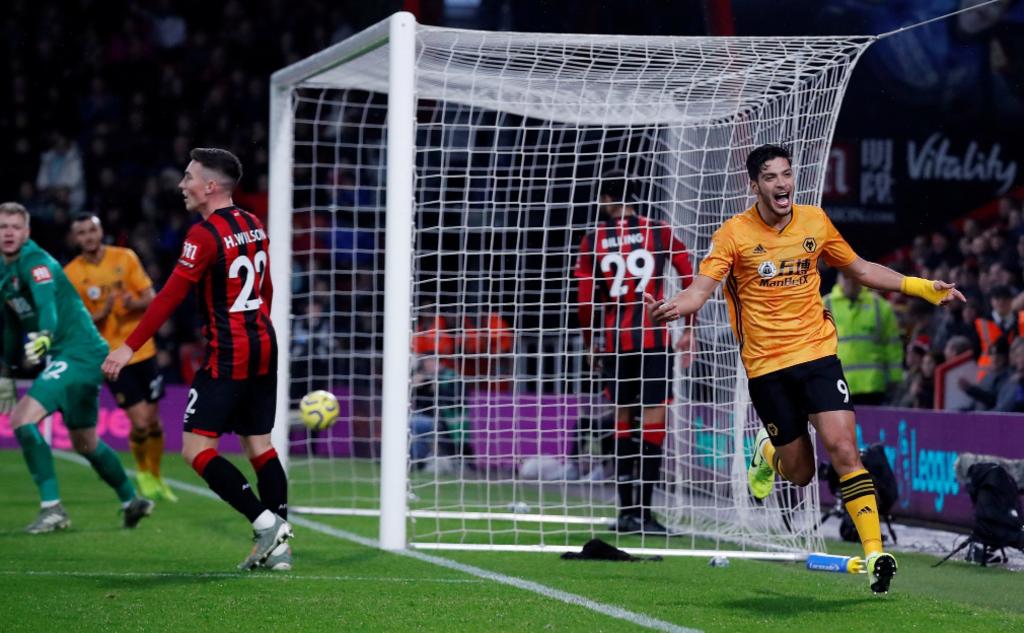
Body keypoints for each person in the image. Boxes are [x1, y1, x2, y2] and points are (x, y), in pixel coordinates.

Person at [645, 145, 965, 593]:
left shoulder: (815, 221)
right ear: (753, 184)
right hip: (767, 368)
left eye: (787, 175)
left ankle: (874, 554)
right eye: (772, 177)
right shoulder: (733, 235)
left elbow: (861, 268)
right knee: (800, 473)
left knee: (845, 450)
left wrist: (922, 287)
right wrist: (676, 305)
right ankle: (767, 453)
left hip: (817, 355)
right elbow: (701, 291)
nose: (783, 185)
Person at [101, 148, 292, 571]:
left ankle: (266, 525)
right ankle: (279, 547)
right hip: (264, 340)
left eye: (189, 177)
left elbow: (169, 295)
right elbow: (267, 287)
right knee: (259, 446)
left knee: (195, 448)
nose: (182, 185)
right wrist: (259, 323)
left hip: (230, 351)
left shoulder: (203, 235)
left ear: (210, 186)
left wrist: (129, 345)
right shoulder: (252, 222)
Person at [0, 202, 154, 533]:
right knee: (85, 441)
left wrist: (44, 334)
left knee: (22, 420)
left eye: (15, 226)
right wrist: (6, 371)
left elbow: (46, 305)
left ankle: (52, 508)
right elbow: (10, 326)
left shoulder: (36, 262)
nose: (8, 232)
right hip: (73, 354)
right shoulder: (3, 273)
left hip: (78, 352)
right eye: (2, 227)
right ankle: (132, 501)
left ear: (26, 233)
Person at [574, 169, 694, 535]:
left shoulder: (593, 238)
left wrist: (590, 342)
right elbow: (690, 276)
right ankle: (645, 512)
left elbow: (584, 299)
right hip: (655, 339)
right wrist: (689, 328)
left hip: (614, 342)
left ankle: (627, 511)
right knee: (654, 419)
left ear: (606, 199)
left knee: (623, 418)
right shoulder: (659, 231)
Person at [65, 213, 177, 502]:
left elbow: (151, 297)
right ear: (75, 238)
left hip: (143, 349)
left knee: (154, 422)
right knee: (140, 423)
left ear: (100, 231)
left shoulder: (125, 258)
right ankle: (143, 473)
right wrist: (99, 315)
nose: (88, 236)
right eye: (82, 233)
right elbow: (72, 321)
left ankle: (156, 475)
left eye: (92, 230)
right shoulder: (72, 274)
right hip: (112, 356)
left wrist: (133, 303)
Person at [824, 270, 903, 405]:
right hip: (837, 384)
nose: (851, 282)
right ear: (838, 279)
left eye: (854, 277)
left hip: (873, 386)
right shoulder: (823, 306)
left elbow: (892, 345)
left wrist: (894, 378)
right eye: (846, 276)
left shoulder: (881, 306)